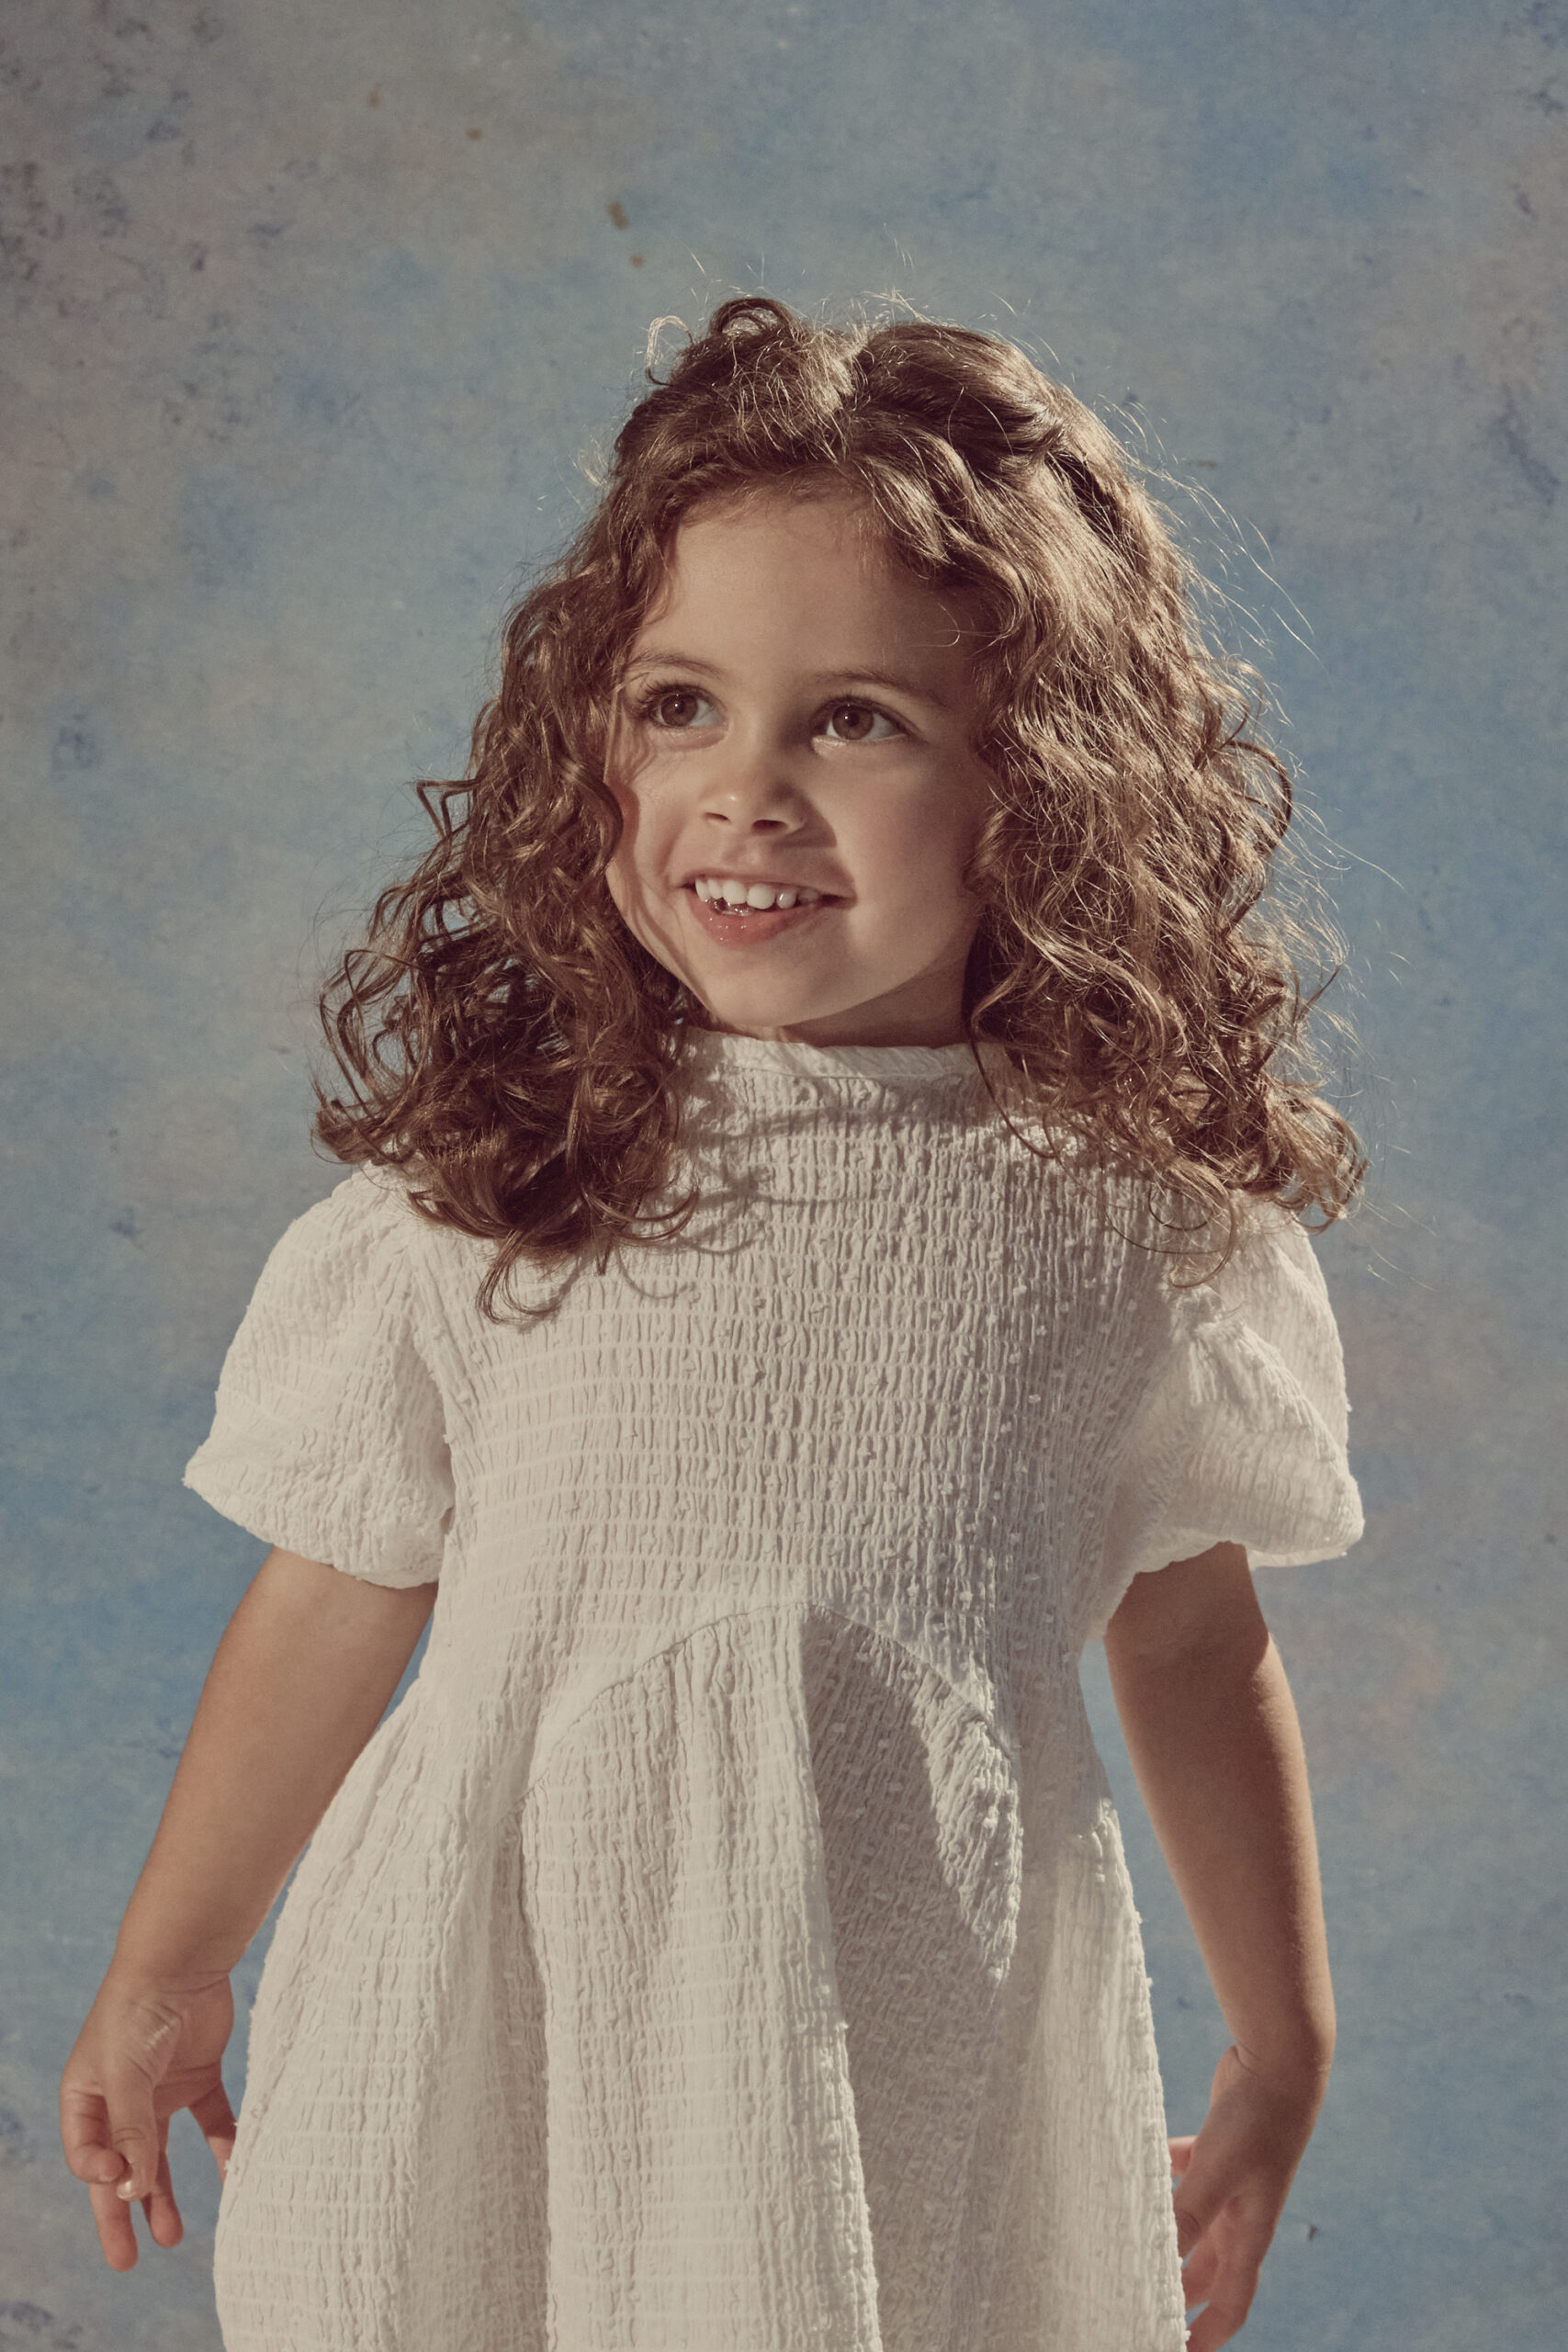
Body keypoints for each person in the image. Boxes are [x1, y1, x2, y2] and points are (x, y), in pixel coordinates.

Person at [60, 295, 1367, 2352]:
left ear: (1035, 781)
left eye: (852, 720)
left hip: (888, 2048)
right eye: (679, 704)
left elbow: (1193, 1638)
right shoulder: (499, 1181)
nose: (743, 791)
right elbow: (335, 1590)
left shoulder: (1128, 1233)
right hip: (492, 2014)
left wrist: (1280, 2047)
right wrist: (168, 1964)